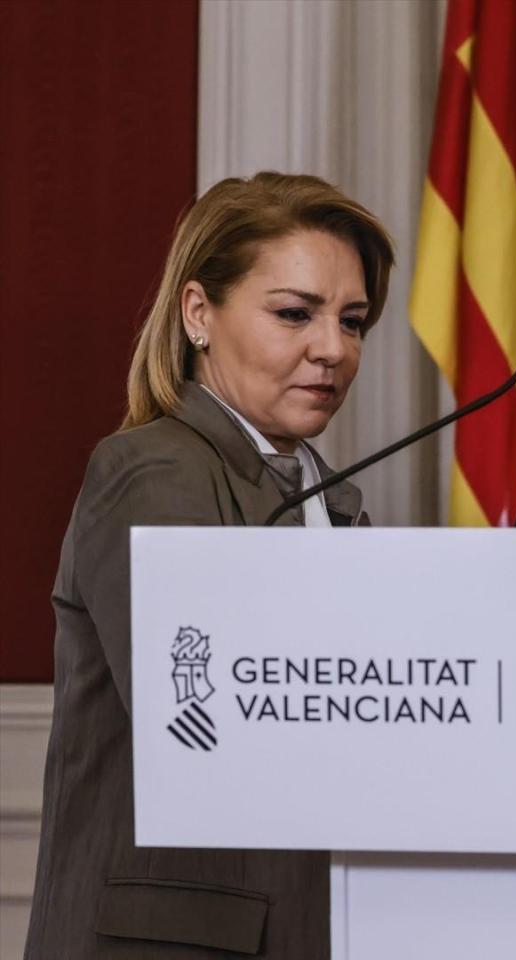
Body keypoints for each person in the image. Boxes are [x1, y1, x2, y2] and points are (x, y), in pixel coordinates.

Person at [26, 172, 394, 959]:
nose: (332, 349)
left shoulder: (326, 495)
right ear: (199, 313)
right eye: (294, 314)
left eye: (352, 321)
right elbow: (210, 721)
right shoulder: (151, 471)